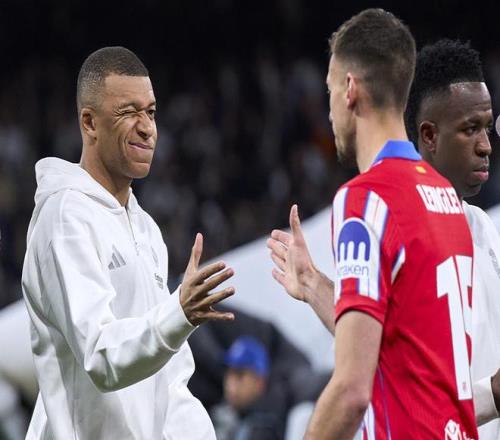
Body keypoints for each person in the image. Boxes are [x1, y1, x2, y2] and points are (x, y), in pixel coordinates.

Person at [268, 9, 477, 438]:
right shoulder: (445, 197)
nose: (329, 112)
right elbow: (392, 346)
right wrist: (311, 283)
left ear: (349, 89)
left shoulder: (366, 199)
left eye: (329, 90)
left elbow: (350, 391)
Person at [21, 46, 235, 440]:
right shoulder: (65, 218)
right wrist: (179, 314)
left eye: (151, 112)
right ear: (89, 122)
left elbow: (170, 383)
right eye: (128, 112)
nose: (147, 127)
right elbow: (100, 356)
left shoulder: (147, 229)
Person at [405, 38, 500, 439]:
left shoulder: (482, 226)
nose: (486, 146)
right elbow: (410, 399)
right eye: (470, 129)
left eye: (487, 127)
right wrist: (493, 394)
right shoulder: (403, 232)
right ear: (429, 135)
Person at [211, 336, 283, 440]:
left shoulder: (268, 429)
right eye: (228, 372)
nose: (230, 383)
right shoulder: (220, 413)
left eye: (239, 375)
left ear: (259, 382)